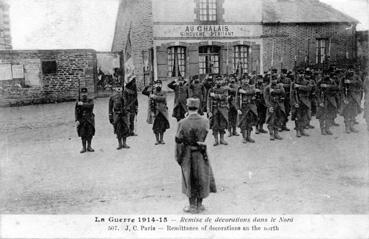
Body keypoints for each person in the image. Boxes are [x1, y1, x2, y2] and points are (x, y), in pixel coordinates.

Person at [175, 98, 216, 213]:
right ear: (198, 108)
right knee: (202, 177)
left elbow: (178, 142)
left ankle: (192, 206)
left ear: (187, 107)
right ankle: (200, 205)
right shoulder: (205, 121)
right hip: (201, 152)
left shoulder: (182, 123)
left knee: (189, 178)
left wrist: (179, 158)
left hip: (188, 153)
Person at [142, 80, 170, 145]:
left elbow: (163, 98)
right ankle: (157, 140)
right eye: (157, 84)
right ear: (155, 85)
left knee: (162, 127)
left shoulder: (164, 92)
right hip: (155, 112)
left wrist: (154, 97)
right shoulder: (152, 92)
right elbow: (143, 92)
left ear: (161, 85)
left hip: (162, 112)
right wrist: (148, 86)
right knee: (156, 127)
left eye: (159, 84)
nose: (158, 85)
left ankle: (162, 139)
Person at [207, 76, 229, 146]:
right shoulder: (211, 89)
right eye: (217, 80)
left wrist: (215, 95)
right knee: (215, 125)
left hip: (223, 109)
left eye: (220, 80)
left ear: (222, 81)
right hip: (214, 109)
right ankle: (216, 140)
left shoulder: (225, 89)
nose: (219, 82)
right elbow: (208, 100)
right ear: (215, 81)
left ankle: (222, 139)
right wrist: (209, 111)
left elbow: (225, 96)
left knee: (222, 124)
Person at [264, 74, 286, 140]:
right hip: (271, 104)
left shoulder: (280, 86)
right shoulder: (267, 88)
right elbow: (266, 98)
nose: (274, 81)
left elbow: (283, 92)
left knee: (278, 119)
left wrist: (274, 91)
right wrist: (269, 106)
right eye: (273, 79)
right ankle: (271, 134)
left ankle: (276, 133)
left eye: (275, 79)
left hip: (278, 104)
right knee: (271, 120)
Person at [290, 71, 312, 137]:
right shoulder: (293, 83)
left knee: (304, 117)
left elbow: (309, 88)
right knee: (297, 117)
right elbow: (291, 94)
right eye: (299, 73)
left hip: (305, 102)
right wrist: (294, 103)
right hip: (297, 101)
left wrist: (299, 86)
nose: (301, 75)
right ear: (297, 74)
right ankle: (298, 131)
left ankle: (302, 130)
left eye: (302, 73)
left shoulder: (307, 82)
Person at [340, 69, 363, 133]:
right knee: (347, 113)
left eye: (351, 69)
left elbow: (361, 84)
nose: (350, 71)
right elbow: (341, 89)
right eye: (349, 69)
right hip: (347, 97)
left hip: (354, 98)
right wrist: (344, 98)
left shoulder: (357, 77)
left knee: (353, 113)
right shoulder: (343, 78)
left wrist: (351, 82)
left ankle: (352, 126)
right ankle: (347, 127)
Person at [238, 76, 259, 143]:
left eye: (247, 79)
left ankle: (249, 137)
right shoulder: (239, 88)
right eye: (244, 79)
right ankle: (244, 137)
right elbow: (237, 99)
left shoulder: (251, 87)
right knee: (243, 123)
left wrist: (245, 92)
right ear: (242, 80)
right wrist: (238, 108)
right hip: (243, 107)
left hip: (251, 107)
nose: (246, 81)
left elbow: (254, 91)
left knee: (250, 123)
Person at [75, 87, 95, 153]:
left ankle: (89, 146)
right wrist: (76, 120)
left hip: (89, 119)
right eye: (83, 93)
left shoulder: (90, 100)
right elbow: (76, 111)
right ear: (81, 94)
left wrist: (83, 104)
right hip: (82, 120)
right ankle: (84, 147)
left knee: (90, 133)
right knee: (83, 133)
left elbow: (90, 106)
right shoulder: (78, 101)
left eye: (85, 93)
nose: (84, 94)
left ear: (87, 93)